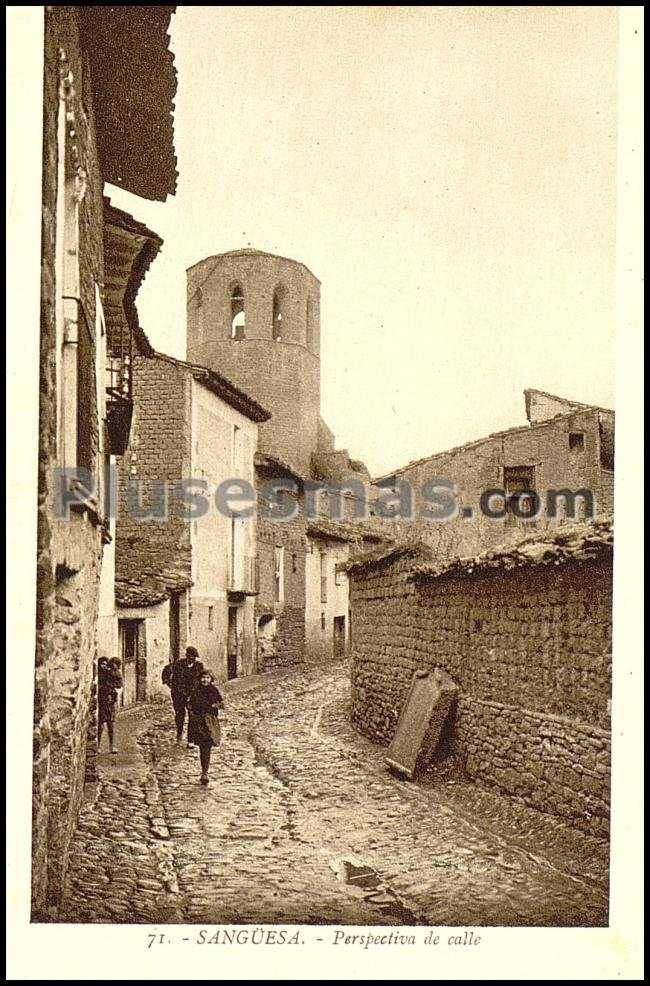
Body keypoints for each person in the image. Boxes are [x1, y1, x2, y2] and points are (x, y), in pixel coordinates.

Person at [187, 670, 225, 785]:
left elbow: (221, 704)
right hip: (199, 722)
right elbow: (189, 704)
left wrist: (215, 705)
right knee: (202, 746)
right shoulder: (195, 690)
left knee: (207, 746)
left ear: (211, 679)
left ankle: (205, 772)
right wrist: (192, 712)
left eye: (207, 678)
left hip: (210, 721)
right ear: (199, 679)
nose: (205, 680)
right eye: (203, 677)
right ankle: (204, 771)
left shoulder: (213, 690)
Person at [162, 646, 205, 745]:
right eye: (190, 657)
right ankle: (179, 733)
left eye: (194, 657)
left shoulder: (199, 666)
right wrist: (169, 683)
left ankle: (190, 740)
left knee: (192, 716)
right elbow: (166, 670)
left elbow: (203, 677)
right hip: (178, 694)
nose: (192, 659)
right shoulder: (179, 664)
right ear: (187, 656)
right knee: (180, 715)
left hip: (192, 694)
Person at [98, 656, 123, 754]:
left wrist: (111, 689)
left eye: (105, 664)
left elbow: (119, 684)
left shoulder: (116, 674)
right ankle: (98, 746)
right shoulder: (103, 674)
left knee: (111, 725)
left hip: (111, 702)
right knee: (100, 724)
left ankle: (112, 746)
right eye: (102, 664)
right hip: (103, 702)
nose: (104, 666)